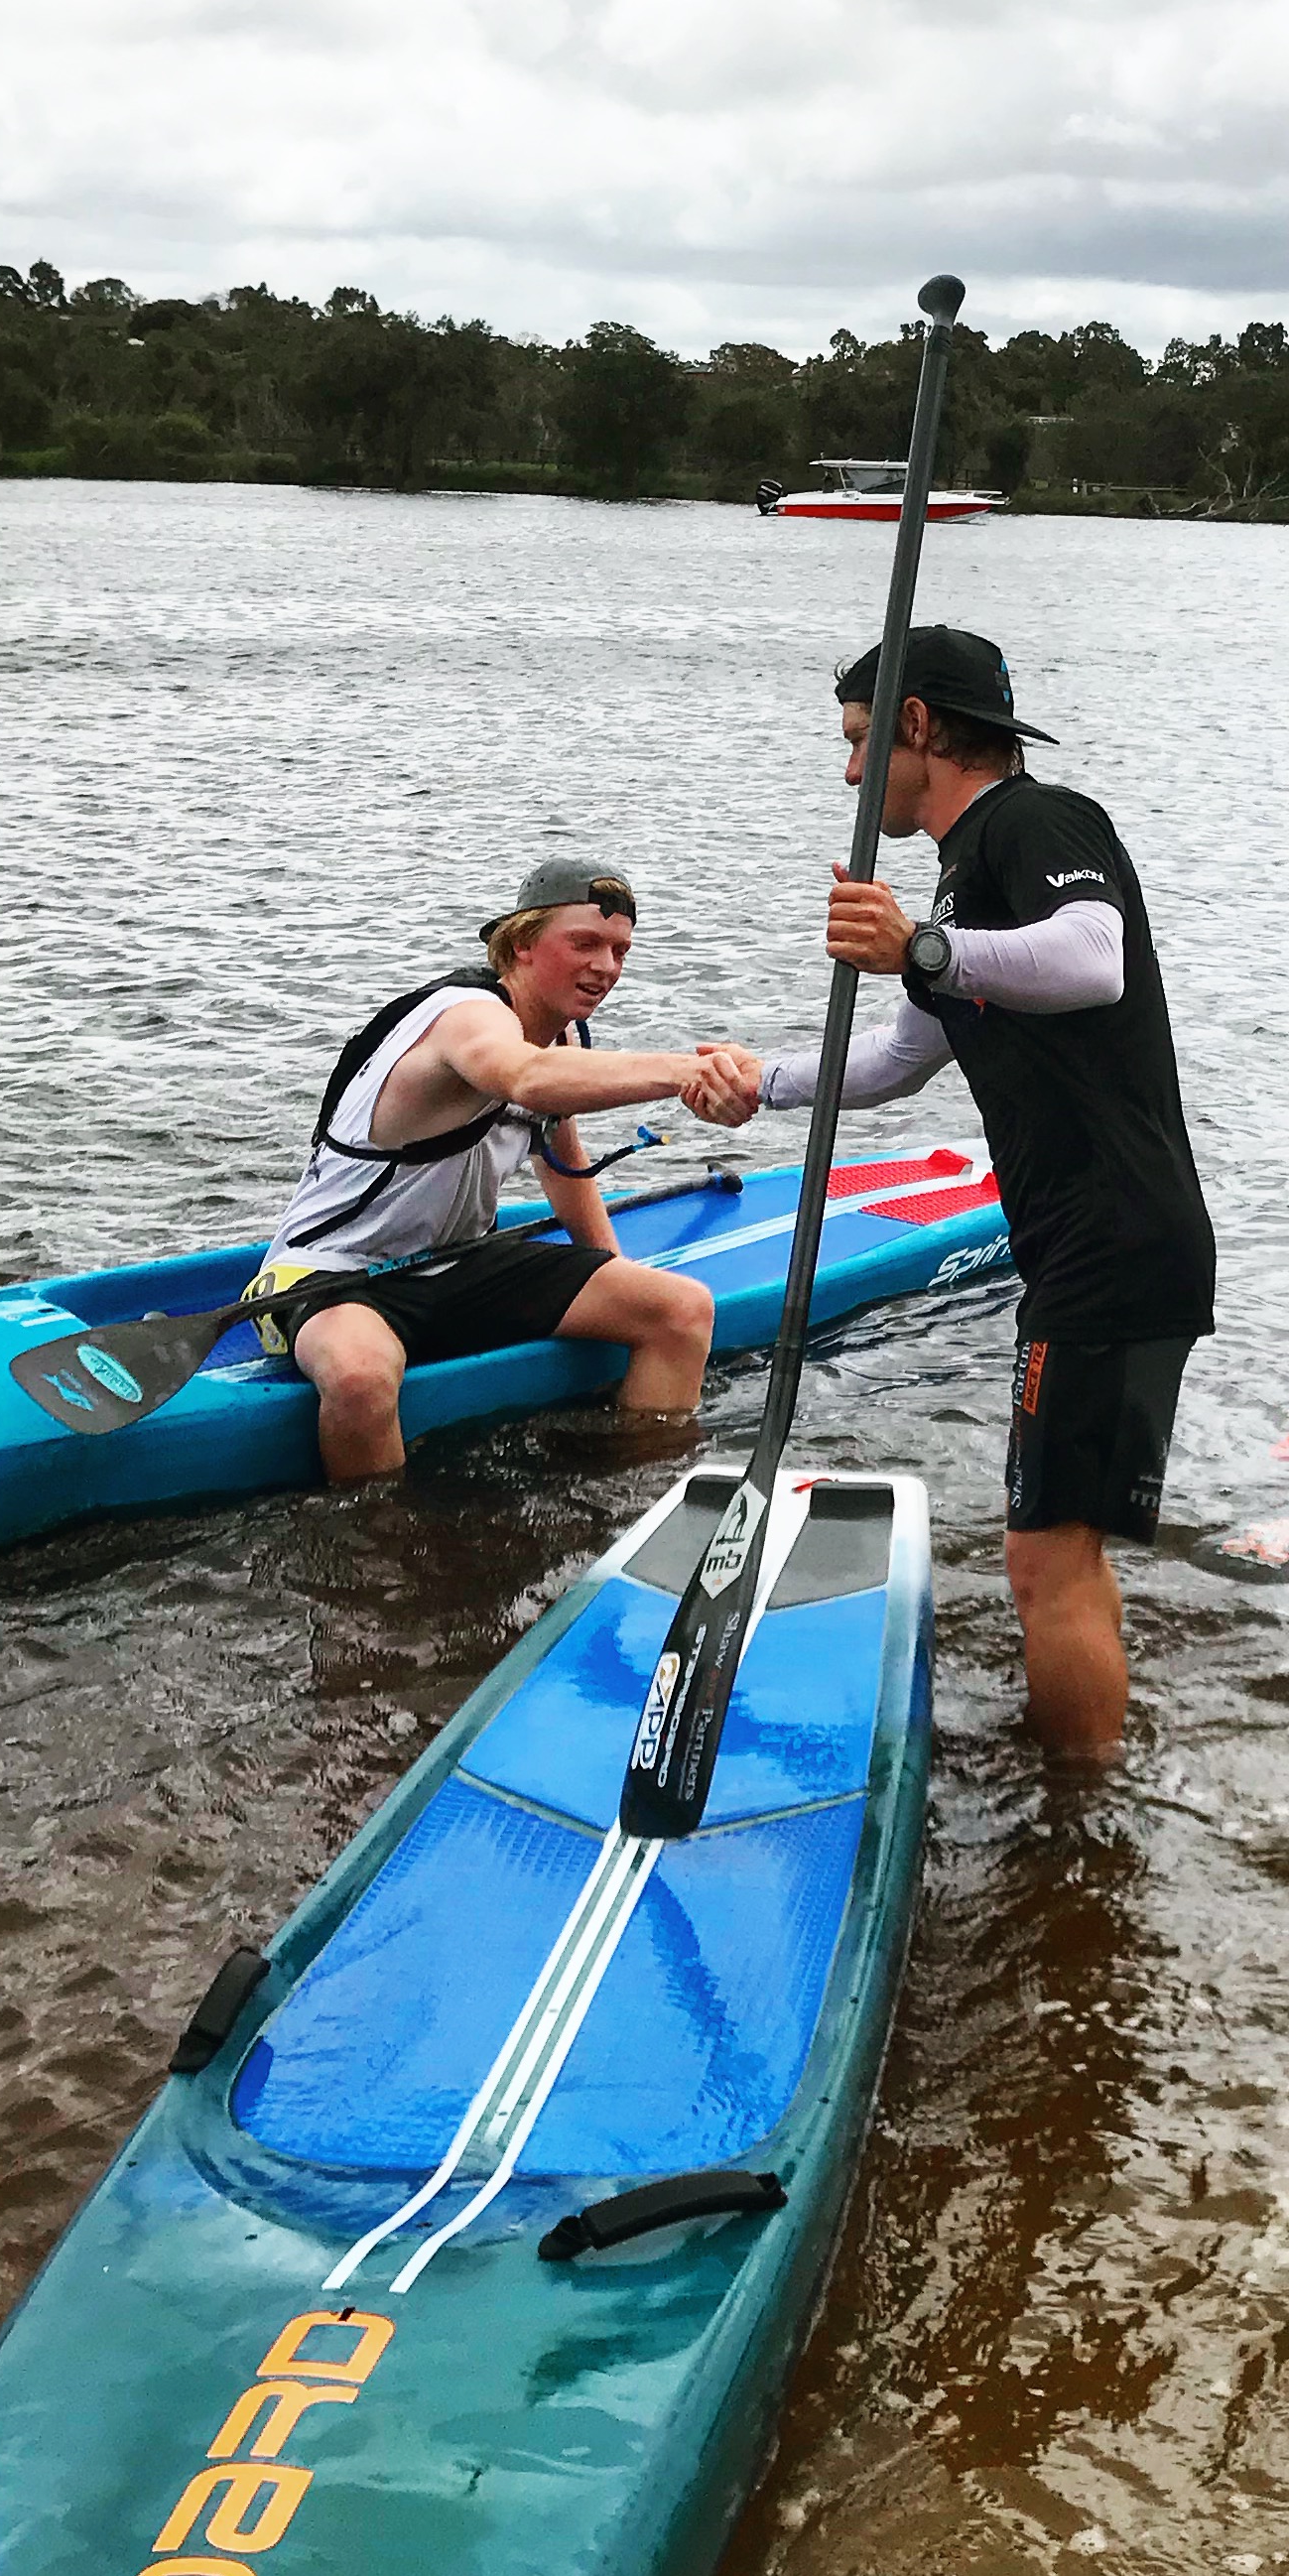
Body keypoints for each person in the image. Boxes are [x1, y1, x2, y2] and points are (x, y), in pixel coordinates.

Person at [713, 627, 1216, 1761]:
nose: (849, 776)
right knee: (1060, 1549)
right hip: (1091, 1243)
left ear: (920, 726)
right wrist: (763, 1087)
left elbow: (1097, 958)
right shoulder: (965, 864)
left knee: (1042, 1558)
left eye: (858, 744)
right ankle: (1084, 1826)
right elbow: (899, 1058)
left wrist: (924, 951)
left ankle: (1077, 1816)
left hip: (1113, 1237)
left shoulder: (1039, 820)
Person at [251, 857, 759, 1481]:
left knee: (680, 1312)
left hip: (458, 1262)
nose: (606, 967)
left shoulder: (563, 1042)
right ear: (521, 944)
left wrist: (610, 1274)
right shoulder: (465, 1014)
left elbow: (564, 1164)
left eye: (620, 950)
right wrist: (687, 1070)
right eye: (584, 943)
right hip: (335, 1276)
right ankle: (375, 1556)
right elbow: (525, 1078)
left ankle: (633, 1495)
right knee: (359, 1376)